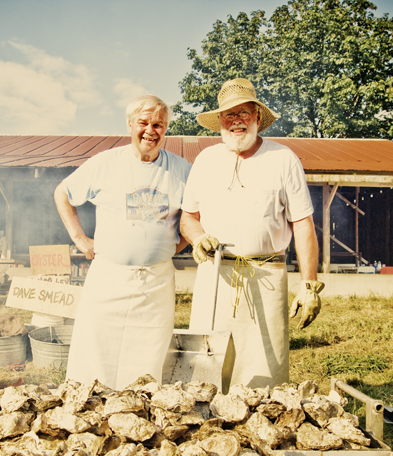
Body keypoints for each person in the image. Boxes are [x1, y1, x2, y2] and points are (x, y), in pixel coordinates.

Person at [180, 78, 323, 389]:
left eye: (244, 113)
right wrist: (197, 237)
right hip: (214, 275)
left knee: (265, 370)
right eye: (229, 115)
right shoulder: (205, 161)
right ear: (219, 121)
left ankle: (264, 429)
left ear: (258, 117)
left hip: (267, 276)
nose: (237, 121)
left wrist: (309, 285)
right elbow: (188, 218)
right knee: (208, 365)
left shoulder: (283, 159)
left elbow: (303, 223)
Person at [54, 94, 191, 390]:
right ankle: (87, 412)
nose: (150, 131)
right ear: (129, 124)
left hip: (156, 282)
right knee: (95, 349)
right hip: (108, 277)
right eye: (143, 123)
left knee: (147, 354)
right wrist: (79, 238)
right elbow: (63, 193)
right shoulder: (105, 163)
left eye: (158, 124)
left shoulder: (182, 170)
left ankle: (137, 415)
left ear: (166, 129)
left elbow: (195, 215)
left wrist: (172, 246)